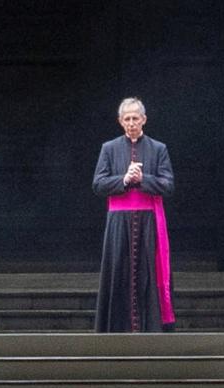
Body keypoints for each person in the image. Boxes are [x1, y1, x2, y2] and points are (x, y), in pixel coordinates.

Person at [93, 97, 175, 332]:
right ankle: (117, 329)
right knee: (119, 273)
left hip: (149, 222)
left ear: (144, 120)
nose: (131, 123)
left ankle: (150, 329)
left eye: (135, 118)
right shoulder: (108, 148)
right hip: (118, 224)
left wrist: (143, 179)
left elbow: (168, 185)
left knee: (148, 274)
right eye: (126, 119)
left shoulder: (159, 149)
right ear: (120, 121)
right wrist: (124, 180)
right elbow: (98, 184)